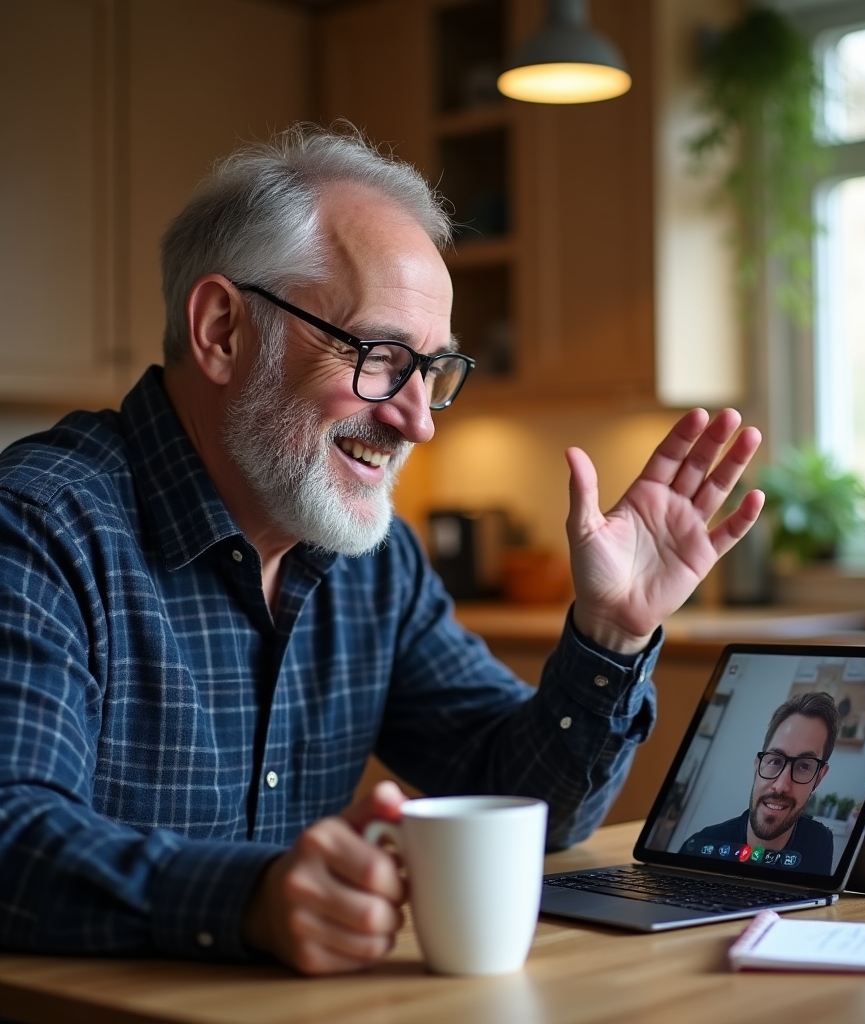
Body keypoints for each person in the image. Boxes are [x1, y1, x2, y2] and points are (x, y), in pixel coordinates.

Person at [0, 124, 763, 975]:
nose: (419, 420)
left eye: (431, 369)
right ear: (221, 331)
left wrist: (610, 633)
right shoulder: (37, 527)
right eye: (379, 355)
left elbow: (524, 803)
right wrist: (248, 899)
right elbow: (11, 832)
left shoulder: (374, 562)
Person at [680, 692, 838, 874]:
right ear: (757, 766)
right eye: (775, 761)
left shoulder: (820, 842)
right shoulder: (699, 849)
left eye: (804, 766)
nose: (781, 786)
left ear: (818, 778)